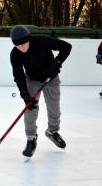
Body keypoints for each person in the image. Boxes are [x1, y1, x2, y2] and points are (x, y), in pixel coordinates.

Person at [9, 25, 72, 160]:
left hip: (51, 77)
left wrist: (57, 63)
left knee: (54, 107)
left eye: (24, 44)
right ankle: (31, 138)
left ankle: (52, 132)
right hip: (32, 80)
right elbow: (18, 76)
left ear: (29, 40)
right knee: (31, 109)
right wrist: (25, 96)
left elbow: (67, 47)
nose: (22, 48)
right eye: (18, 46)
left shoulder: (41, 41)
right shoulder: (15, 54)